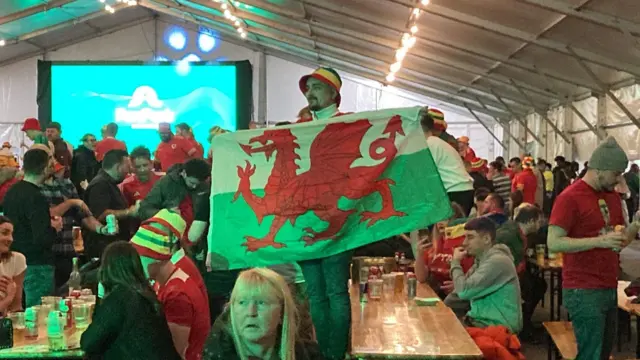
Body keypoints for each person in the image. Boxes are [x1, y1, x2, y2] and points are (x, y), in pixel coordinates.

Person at [548, 137, 640, 360]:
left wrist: (636, 224)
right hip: (583, 289)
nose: (619, 180)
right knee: (591, 353)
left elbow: (618, 242)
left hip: (608, 285)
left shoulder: (612, 197)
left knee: (603, 352)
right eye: (615, 174)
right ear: (598, 169)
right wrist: (599, 242)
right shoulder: (569, 198)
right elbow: (554, 242)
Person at [296, 66, 352, 360]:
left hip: (337, 220)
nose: (309, 92)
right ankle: (326, 354)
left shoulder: (349, 125)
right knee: (315, 293)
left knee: (335, 291)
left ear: (334, 93)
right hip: (306, 219)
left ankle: (336, 353)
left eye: (317, 87)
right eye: (308, 88)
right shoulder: (298, 128)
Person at [80, 241, 181, 360]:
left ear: (107, 269)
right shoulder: (146, 293)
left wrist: (101, 295)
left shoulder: (120, 297)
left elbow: (88, 342)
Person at [133, 211, 210, 360]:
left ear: (155, 259)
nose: (136, 263)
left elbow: (174, 352)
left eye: (140, 257)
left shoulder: (177, 293)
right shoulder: (168, 278)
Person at [202, 268, 323, 360]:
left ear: (282, 311)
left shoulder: (307, 354)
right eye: (242, 302)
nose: (251, 312)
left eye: (262, 303)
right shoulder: (215, 354)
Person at [3, 149, 62, 306]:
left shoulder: (11, 193)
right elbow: (42, 238)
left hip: (15, 263)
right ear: (44, 169)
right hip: (37, 265)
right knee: (37, 315)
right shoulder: (36, 197)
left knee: (17, 312)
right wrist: (54, 228)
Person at [450, 217, 522, 333]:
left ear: (487, 239)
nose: (464, 243)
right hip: (480, 323)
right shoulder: (481, 260)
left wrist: (455, 262)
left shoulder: (497, 261)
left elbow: (463, 291)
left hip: (497, 329)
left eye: (470, 237)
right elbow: (458, 291)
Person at [41, 162, 107, 289]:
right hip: (46, 255)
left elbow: (83, 215)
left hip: (67, 251)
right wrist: (72, 202)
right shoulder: (34, 189)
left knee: (70, 293)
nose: (52, 162)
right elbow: (47, 214)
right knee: (47, 298)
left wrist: (102, 229)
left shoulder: (66, 184)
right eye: (47, 158)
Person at [139, 158, 210, 248]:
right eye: (192, 183)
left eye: (198, 184)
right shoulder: (166, 183)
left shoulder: (204, 186)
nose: (195, 186)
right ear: (183, 173)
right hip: (169, 241)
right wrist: (166, 214)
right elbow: (143, 209)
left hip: (197, 241)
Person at [406, 203, 470, 299]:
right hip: (435, 295)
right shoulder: (435, 243)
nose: (440, 222)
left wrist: (459, 285)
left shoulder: (466, 244)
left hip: (458, 297)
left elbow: (477, 275)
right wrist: (419, 255)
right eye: (438, 218)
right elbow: (421, 278)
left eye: (445, 218)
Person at [83, 149, 136, 259]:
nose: (129, 171)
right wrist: (129, 212)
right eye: (127, 166)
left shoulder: (108, 184)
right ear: (118, 167)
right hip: (103, 247)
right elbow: (101, 214)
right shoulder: (100, 185)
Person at [421, 112, 475, 215]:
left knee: (448, 227)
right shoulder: (438, 143)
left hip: (455, 190)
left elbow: (427, 172)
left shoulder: (430, 144)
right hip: (462, 188)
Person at [513, 203, 547, 341]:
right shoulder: (513, 234)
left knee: (539, 284)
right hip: (510, 277)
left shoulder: (522, 234)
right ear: (531, 221)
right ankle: (524, 328)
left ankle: (526, 323)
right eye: (539, 221)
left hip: (517, 274)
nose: (541, 224)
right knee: (531, 287)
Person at [0, 216, 26, 314]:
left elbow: (16, 307)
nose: (10, 239)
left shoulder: (16, 260)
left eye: (11, 234)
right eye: (5, 233)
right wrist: (9, 296)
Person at [70, 133, 99, 197]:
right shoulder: (81, 155)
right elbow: (81, 176)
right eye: (91, 141)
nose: (94, 143)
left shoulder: (90, 153)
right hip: (82, 190)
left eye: (95, 140)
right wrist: (87, 191)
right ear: (84, 142)